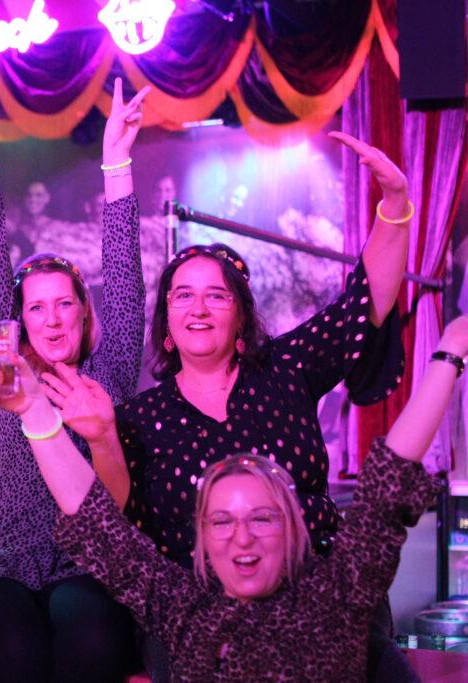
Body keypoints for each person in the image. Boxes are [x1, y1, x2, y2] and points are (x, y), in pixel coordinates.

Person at [4, 312, 468, 680]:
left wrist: (449, 351)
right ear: (203, 537)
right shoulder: (184, 611)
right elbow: (94, 520)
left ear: (290, 528)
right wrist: (34, 411)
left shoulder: (336, 599)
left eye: (261, 518)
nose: (241, 537)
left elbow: (390, 476)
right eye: (222, 521)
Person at [112, 132, 412, 678]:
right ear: (167, 325)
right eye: (183, 295)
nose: (199, 308)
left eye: (217, 295)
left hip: (318, 591)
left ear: (242, 319)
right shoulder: (139, 418)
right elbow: (110, 525)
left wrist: (394, 203)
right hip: (200, 611)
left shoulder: (285, 369)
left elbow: (366, 300)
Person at [0, 73, 148, 682]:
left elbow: (125, 278)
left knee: (91, 641)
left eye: (64, 303)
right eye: (36, 307)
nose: (52, 318)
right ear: (19, 320)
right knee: (17, 650)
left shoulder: (109, 368)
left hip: (82, 560)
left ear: (84, 312)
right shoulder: (3, 365)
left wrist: (116, 163)